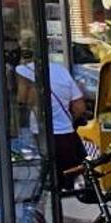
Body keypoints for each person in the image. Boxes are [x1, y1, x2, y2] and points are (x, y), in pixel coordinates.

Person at [14, 46, 91, 188]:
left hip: (39, 134)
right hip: (66, 134)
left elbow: (22, 99)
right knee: (68, 179)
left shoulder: (22, 71)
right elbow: (80, 107)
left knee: (45, 178)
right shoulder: (61, 71)